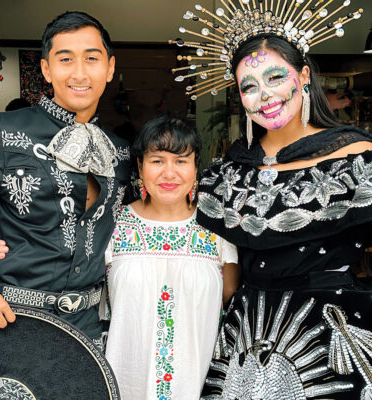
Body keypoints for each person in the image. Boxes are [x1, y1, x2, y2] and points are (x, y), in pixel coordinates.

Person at [194, 33, 372, 400]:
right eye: (249, 86)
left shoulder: (355, 158)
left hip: (332, 335)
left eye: (276, 78)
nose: (265, 94)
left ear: (304, 76)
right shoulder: (230, 172)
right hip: (246, 340)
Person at [0, 11, 131, 347]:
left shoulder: (121, 154)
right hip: (8, 320)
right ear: (46, 69)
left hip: (89, 331)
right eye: (65, 59)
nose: (79, 72)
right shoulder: (2, 132)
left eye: (91, 58)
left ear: (110, 68)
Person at [103, 115, 239, 399]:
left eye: (180, 161)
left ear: (195, 167)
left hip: (200, 387)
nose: (169, 173)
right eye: (157, 161)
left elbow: (233, 307)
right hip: (123, 386)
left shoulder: (218, 228)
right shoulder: (112, 227)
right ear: (139, 166)